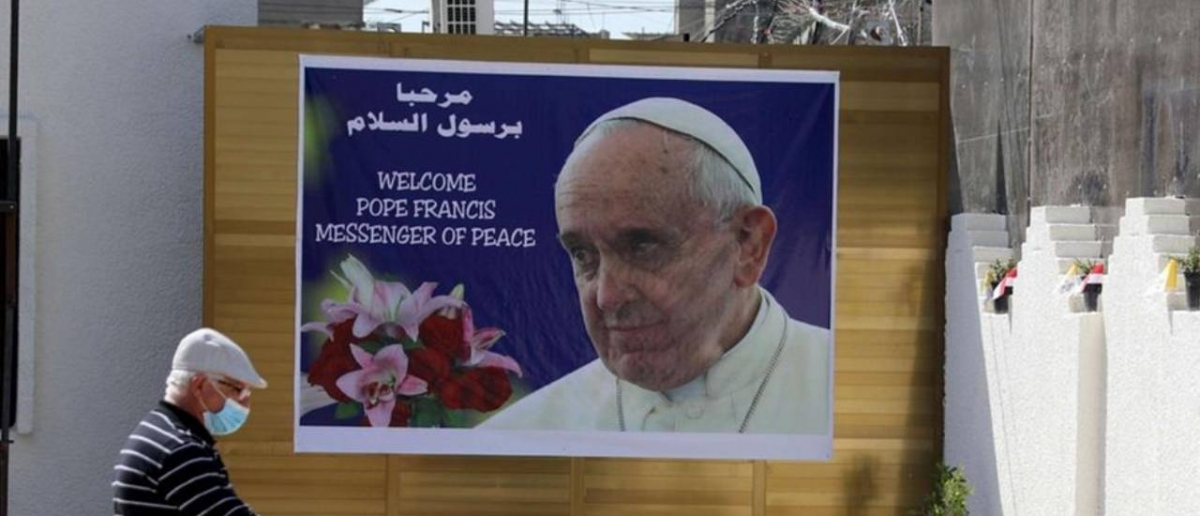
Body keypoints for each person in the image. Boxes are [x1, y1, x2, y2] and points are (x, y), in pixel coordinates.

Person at [481, 97, 831, 434]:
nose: (607, 297)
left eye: (642, 247)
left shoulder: (852, 398)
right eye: (583, 255)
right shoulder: (523, 435)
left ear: (748, 245)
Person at [113, 328, 267, 515]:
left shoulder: (155, 431)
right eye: (238, 389)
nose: (245, 402)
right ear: (199, 385)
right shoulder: (180, 450)